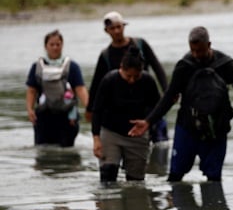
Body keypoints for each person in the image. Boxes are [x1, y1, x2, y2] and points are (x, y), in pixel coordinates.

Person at [128, 26, 233, 182]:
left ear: (209, 45)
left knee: (214, 179)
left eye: (200, 51)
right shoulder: (184, 66)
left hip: (216, 129)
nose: (196, 55)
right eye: (192, 50)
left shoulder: (225, 64)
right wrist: (148, 121)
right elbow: (169, 97)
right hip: (187, 128)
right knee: (175, 177)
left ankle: (213, 206)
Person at [86, 11, 169, 143]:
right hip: (121, 105)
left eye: (119, 27)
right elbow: (97, 84)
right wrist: (90, 109)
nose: (117, 31)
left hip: (146, 100)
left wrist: (167, 91)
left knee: (159, 142)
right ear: (107, 31)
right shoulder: (106, 55)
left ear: (124, 26)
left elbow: (157, 67)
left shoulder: (140, 44)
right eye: (112, 28)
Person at [91, 48, 161, 183]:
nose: (132, 80)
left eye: (136, 76)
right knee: (108, 178)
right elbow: (97, 110)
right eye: (128, 76)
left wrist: (149, 122)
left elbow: (157, 108)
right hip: (111, 133)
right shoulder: (109, 80)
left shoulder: (148, 81)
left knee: (136, 183)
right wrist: (96, 139)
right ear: (121, 68)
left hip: (138, 135)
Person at [25, 29, 89, 147]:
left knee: (67, 150)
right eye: (52, 44)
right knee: (42, 149)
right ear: (46, 46)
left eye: (58, 44)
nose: (55, 47)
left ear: (62, 45)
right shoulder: (36, 67)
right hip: (44, 115)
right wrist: (30, 110)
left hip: (68, 116)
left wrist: (89, 108)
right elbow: (31, 90)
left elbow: (80, 89)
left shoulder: (72, 67)